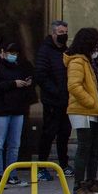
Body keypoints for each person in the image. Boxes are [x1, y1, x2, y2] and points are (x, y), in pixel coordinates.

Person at [64, 28, 98, 194]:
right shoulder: (78, 61)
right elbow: (74, 86)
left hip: (94, 111)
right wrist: (91, 102)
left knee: (94, 147)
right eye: (97, 42)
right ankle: (78, 186)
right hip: (82, 110)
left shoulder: (92, 61)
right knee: (84, 147)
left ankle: (91, 181)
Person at [0, 41, 34, 187]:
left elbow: (30, 75)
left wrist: (26, 82)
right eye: (11, 53)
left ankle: (12, 176)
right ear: (2, 52)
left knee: (14, 145)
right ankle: (0, 176)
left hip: (17, 110)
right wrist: (13, 84)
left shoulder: (19, 66)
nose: (13, 56)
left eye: (16, 53)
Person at [34, 20, 72, 179]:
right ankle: (41, 166)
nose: (64, 35)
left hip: (66, 100)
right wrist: (56, 92)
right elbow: (41, 75)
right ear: (53, 33)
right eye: (60, 32)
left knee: (65, 133)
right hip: (52, 101)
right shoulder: (45, 51)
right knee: (49, 133)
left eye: (65, 32)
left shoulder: (67, 51)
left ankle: (63, 164)